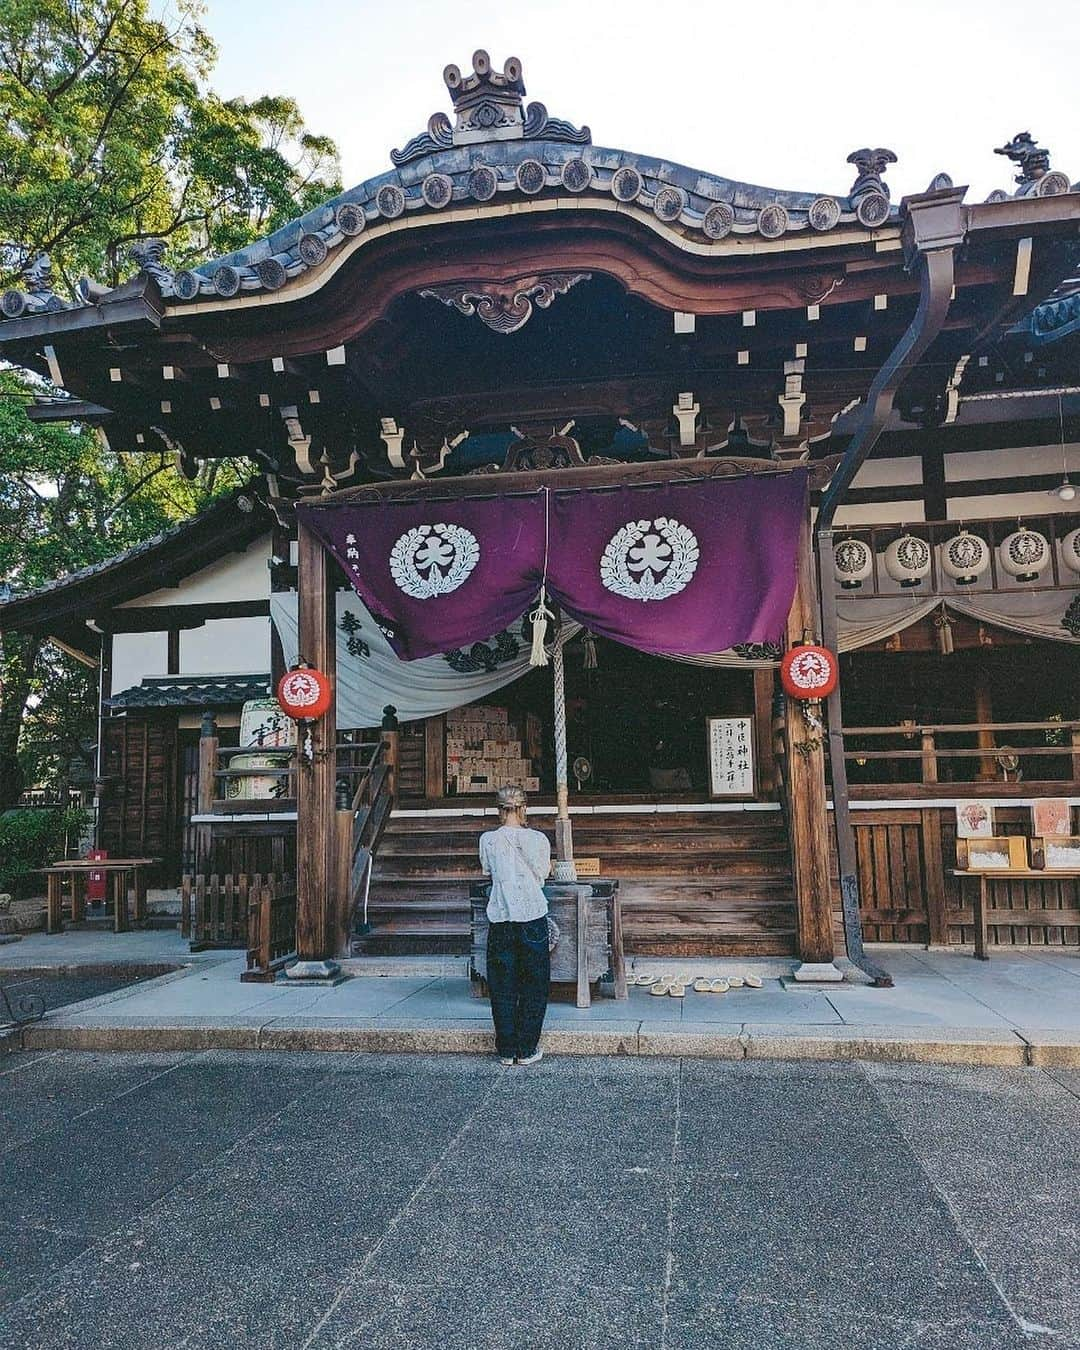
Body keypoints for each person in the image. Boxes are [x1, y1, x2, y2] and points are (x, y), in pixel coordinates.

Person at [479, 784, 552, 1066]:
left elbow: (487, 871)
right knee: (534, 983)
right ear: (523, 809)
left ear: (499, 810)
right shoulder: (538, 839)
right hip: (532, 915)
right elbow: (544, 873)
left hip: (501, 916)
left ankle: (507, 1049)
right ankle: (527, 1047)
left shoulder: (487, 840)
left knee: (502, 984)